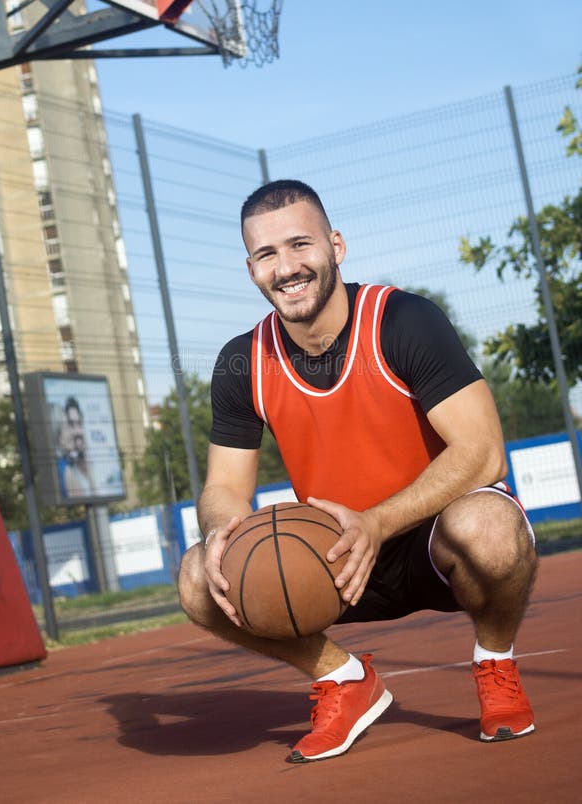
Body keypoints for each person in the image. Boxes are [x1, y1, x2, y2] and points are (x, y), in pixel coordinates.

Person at [178, 179, 538, 763]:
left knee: (489, 526)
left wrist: (377, 522)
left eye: (301, 245)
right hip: (335, 555)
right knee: (199, 576)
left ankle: (496, 664)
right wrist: (223, 531)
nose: (287, 267)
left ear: (336, 247)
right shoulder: (241, 362)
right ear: (251, 271)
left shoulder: (403, 320)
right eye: (267, 254)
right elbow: (223, 488)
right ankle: (344, 679)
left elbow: (484, 451)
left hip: (433, 537)